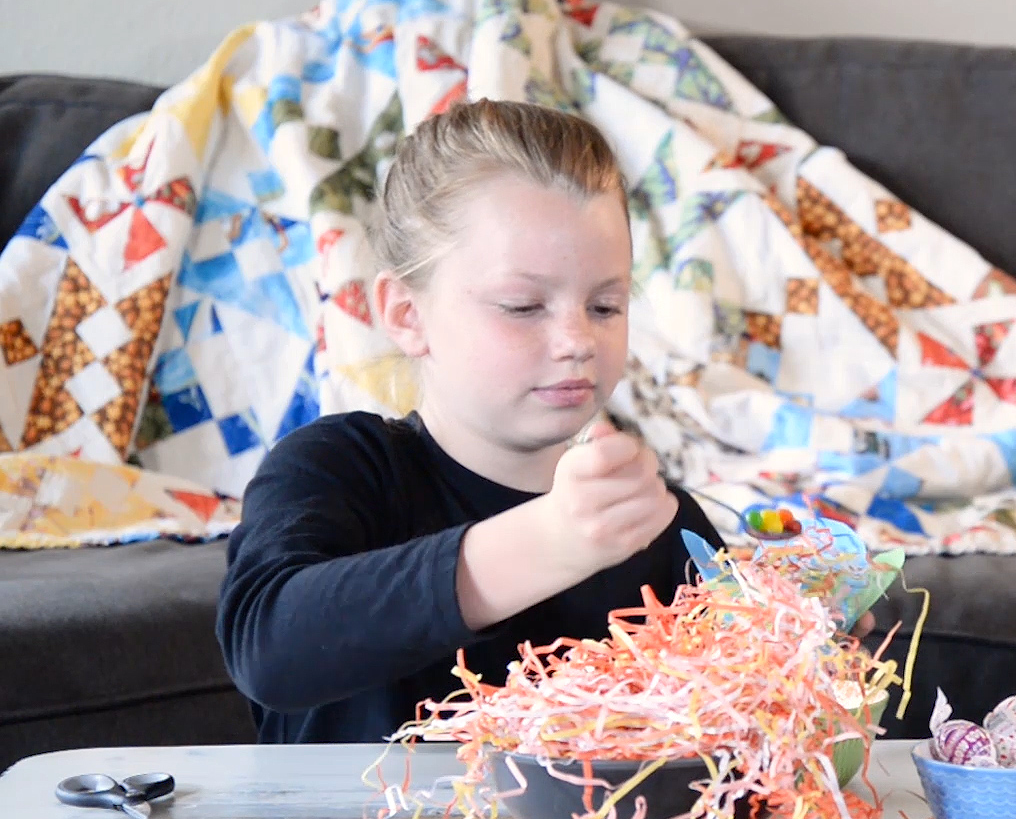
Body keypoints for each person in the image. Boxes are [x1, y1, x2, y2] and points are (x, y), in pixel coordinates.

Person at [217, 99, 718, 743]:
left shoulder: (651, 519)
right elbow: (269, 649)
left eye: (605, 304)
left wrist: (827, 647)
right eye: (522, 305)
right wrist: (549, 542)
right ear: (406, 315)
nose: (577, 339)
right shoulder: (342, 468)